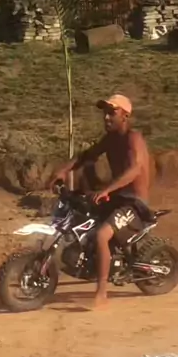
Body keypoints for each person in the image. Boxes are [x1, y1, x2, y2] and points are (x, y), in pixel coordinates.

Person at [51, 93, 150, 309]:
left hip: (134, 203)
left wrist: (107, 190)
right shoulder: (110, 139)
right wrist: (63, 171)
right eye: (105, 113)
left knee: (101, 235)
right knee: (82, 215)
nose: (106, 117)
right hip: (117, 198)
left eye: (112, 113)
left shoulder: (133, 138)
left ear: (125, 116)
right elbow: (86, 156)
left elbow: (135, 170)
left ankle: (102, 294)